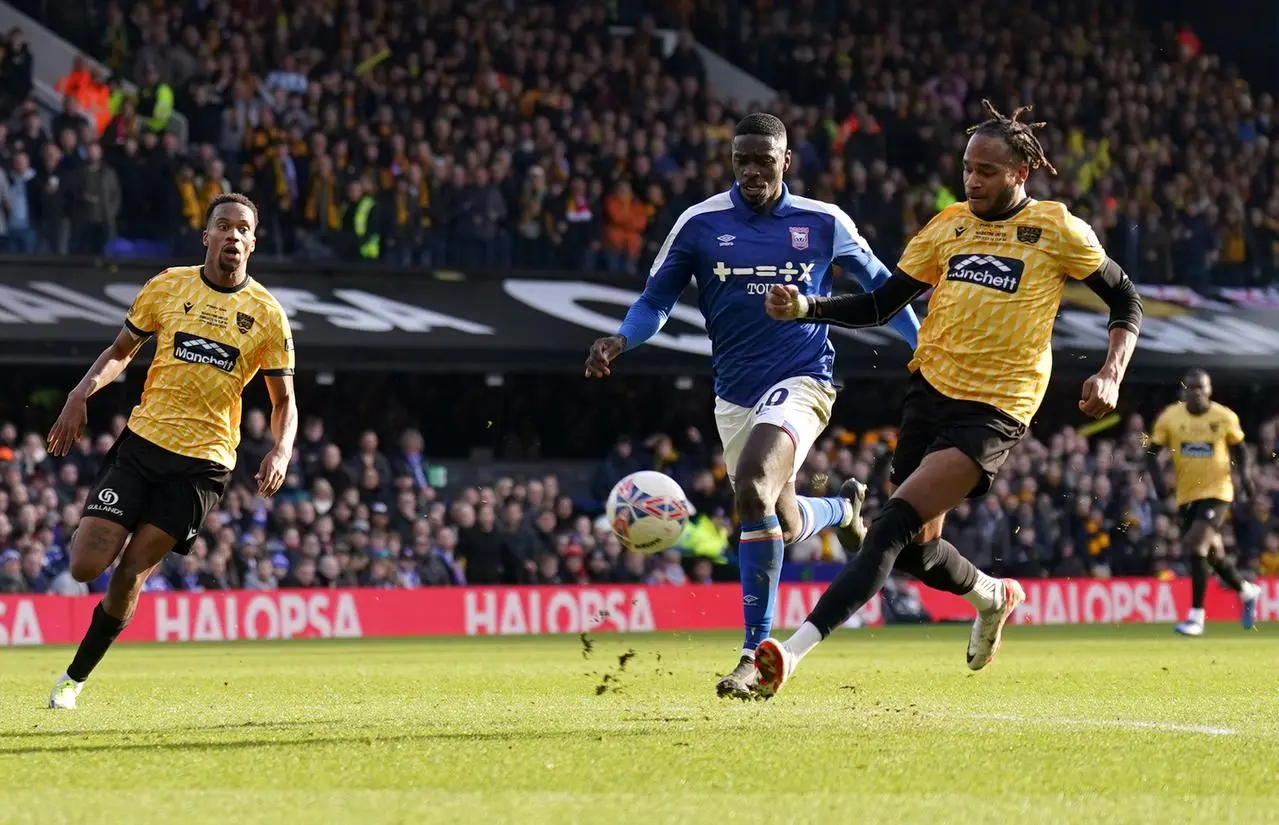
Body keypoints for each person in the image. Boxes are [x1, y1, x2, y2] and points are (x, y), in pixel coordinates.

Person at [755, 100, 1144, 697]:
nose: (972, 180)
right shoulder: (948, 226)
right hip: (929, 392)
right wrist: (809, 307)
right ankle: (993, 596)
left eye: (986, 171)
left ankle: (790, 651)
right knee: (915, 552)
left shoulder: (1056, 228)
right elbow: (884, 304)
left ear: (1020, 173)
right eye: (967, 167)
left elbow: (1125, 299)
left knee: (888, 527)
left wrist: (1112, 371)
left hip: (994, 410)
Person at [584, 112, 921, 699]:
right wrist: (621, 338)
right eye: (742, 159)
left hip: (804, 380)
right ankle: (840, 512)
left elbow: (887, 293)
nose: (752, 170)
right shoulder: (700, 223)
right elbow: (655, 300)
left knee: (749, 491)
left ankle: (752, 654)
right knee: (781, 521)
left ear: (786, 161)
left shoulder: (823, 222)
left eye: (764, 159)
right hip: (734, 394)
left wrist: (925, 352)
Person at [46, 193, 298, 709]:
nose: (232, 236)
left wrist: (281, 449)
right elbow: (121, 351)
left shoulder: (267, 315)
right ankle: (97, 523)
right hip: (142, 444)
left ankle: (73, 681)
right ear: (206, 236)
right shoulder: (167, 286)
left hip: (202, 466)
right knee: (83, 567)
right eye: (223, 226)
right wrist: (79, 394)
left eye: (242, 229)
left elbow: (285, 401)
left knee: (127, 576)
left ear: (253, 241)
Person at [1147, 368, 1261, 635]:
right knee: (1213, 554)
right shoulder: (1170, 418)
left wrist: (1245, 477)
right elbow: (1150, 453)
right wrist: (1160, 487)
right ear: (1184, 390)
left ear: (1209, 390)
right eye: (1192, 387)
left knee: (1195, 545)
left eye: (1202, 388)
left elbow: (1242, 449)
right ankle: (1246, 590)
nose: (1197, 392)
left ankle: (1196, 616)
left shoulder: (1223, 417)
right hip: (1187, 495)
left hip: (1218, 492)